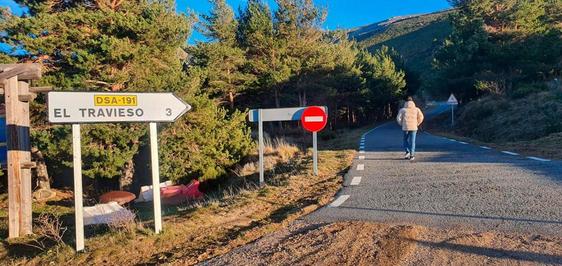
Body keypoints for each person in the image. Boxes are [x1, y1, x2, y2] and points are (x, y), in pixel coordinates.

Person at [396, 97, 424, 161]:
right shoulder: (417, 109)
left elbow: (398, 118)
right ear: (413, 102)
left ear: (406, 102)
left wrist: (402, 124)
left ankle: (407, 152)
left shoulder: (403, 110)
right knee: (412, 141)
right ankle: (412, 155)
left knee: (405, 140)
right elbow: (421, 117)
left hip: (405, 127)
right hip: (414, 127)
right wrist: (417, 123)